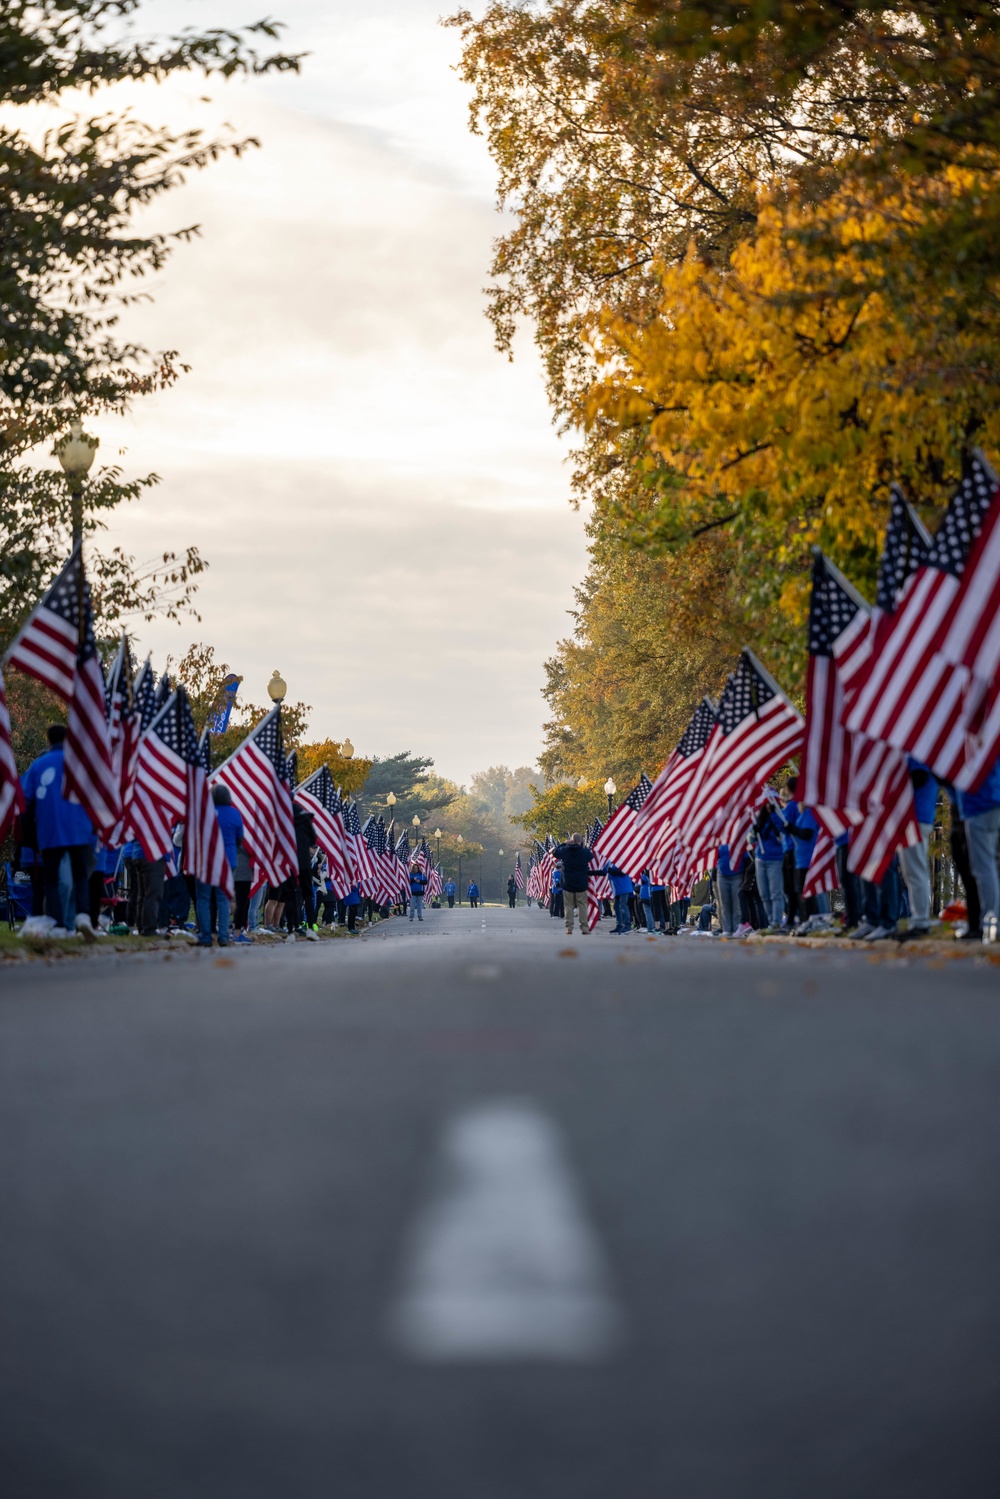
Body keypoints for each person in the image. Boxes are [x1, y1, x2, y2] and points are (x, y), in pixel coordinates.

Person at [19, 724, 97, 939]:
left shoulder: (37, 766)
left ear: (49, 740)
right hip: (80, 829)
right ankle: (82, 915)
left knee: (51, 880)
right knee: (81, 876)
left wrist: (29, 838)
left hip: (50, 832)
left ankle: (59, 925)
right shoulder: (80, 764)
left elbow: (26, 805)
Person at [958, 752, 1000, 941]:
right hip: (990, 799)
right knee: (988, 864)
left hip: (979, 803)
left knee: (983, 867)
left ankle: (991, 921)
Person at [195, 784, 244, 948]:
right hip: (228, 860)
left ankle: (206, 936)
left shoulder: (203, 813)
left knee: (203, 898)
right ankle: (223, 936)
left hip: (206, 860)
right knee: (223, 898)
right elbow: (240, 839)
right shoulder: (235, 814)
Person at [896, 759, 938, 941]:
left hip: (916, 817)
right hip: (913, 817)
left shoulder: (920, 755)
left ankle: (921, 921)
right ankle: (918, 918)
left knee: (915, 871)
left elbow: (919, 777)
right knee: (910, 872)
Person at [552, 834, 596, 935]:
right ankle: (584, 927)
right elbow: (591, 856)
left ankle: (569, 928)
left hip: (568, 882)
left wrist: (564, 844)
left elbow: (555, 852)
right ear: (581, 841)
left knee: (568, 906)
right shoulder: (585, 852)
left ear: (571, 841)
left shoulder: (565, 850)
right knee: (582, 905)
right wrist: (583, 846)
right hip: (581, 881)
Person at [753, 796, 786, 930]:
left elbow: (782, 832)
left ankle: (776, 921)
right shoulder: (759, 820)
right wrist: (754, 833)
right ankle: (771, 920)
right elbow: (752, 839)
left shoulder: (779, 816)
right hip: (760, 859)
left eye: (770, 803)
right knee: (764, 894)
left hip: (775, 859)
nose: (768, 806)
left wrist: (773, 814)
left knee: (775, 892)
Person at [716, 842, 748, 936]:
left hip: (737, 875)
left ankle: (736, 929)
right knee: (725, 904)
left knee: (736, 904)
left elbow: (746, 858)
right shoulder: (720, 841)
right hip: (722, 875)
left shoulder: (739, 840)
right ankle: (727, 929)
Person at [604, 863, 633, 934]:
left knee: (623, 905)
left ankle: (627, 925)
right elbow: (603, 872)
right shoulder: (609, 862)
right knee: (616, 906)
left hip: (624, 887)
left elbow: (623, 872)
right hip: (617, 889)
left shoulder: (620, 860)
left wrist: (610, 870)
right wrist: (587, 872)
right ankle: (619, 925)